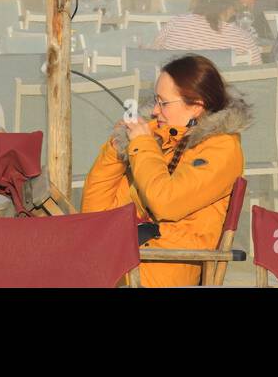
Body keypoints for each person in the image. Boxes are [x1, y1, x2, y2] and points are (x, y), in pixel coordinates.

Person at [82, 55, 249, 287]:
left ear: (196, 107)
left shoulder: (221, 148)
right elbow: (96, 214)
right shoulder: (160, 144)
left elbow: (166, 202)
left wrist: (142, 145)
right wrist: (116, 149)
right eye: (155, 101)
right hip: (134, 258)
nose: (154, 112)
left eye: (164, 103)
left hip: (166, 266)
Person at [152, 0, 262, 65]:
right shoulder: (243, 40)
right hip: (212, 90)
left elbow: (152, 61)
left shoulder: (175, 24)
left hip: (174, 89)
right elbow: (257, 83)